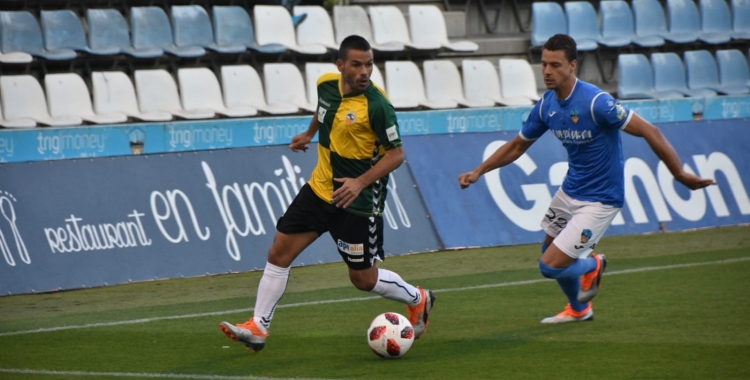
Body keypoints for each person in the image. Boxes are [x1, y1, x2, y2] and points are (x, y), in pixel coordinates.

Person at [458, 34, 715, 323]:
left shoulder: (597, 102)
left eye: (555, 65)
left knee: (550, 266)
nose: (547, 71)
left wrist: (679, 174)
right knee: (548, 249)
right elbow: (518, 146)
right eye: (544, 64)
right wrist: (479, 170)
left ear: (572, 65)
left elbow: (650, 131)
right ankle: (580, 309)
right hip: (570, 191)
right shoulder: (546, 106)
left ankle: (593, 265)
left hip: (601, 199)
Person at [220, 35, 435, 351]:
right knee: (279, 252)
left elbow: (396, 155)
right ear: (341, 66)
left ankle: (419, 298)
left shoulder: (378, 105)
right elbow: (323, 110)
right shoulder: (326, 85)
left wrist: (359, 182)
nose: (365, 71)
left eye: (369, 64)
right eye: (357, 64)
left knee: (363, 279)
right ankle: (258, 327)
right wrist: (309, 133)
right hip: (320, 189)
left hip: (358, 202)